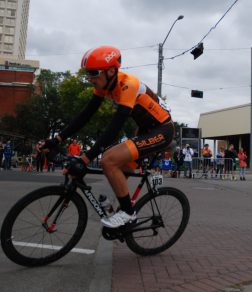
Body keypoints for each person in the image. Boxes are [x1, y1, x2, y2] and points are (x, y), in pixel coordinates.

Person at [42, 45, 174, 228]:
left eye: (94, 73)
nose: (90, 79)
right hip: (144, 130)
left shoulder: (128, 84)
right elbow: (84, 116)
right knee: (114, 177)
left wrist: (86, 158)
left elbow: (114, 128)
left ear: (111, 71)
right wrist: (57, 139)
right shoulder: (104, 85)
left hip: (162, 130)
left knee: (108, 160)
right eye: (87, 74)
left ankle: (129, 213)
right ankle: (117, 213)